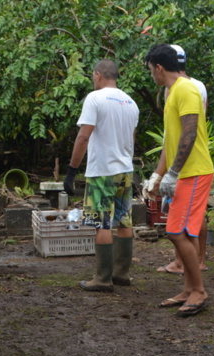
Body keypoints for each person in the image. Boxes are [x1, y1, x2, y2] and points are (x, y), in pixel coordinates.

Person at [145, 43, 214, 316]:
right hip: (184, 173)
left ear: (160, 68)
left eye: (151, 71)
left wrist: (173, 174)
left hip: (194, 171)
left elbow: (190, 133)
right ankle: (188, 289)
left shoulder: (185, 89)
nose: (152, 76)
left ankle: (198, 290)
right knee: (184, 231)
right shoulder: (172, 91)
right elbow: (170, 141)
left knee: (177, 232)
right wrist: (158, 175)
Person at [64, 59, 139, 292]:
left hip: (102, 171)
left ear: (98, 75)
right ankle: (122, 273)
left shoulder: (95, 99)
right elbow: (131, 139)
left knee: (102, 224)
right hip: (125, 170)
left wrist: (71, 170)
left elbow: (83, 136)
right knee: (124, 220)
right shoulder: (130, 102)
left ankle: (103, 278)